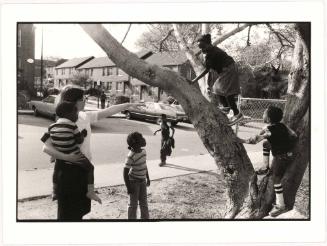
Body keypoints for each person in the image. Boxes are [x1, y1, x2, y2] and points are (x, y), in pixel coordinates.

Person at [42, 85, 144, 221]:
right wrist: (66, 157)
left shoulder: (84, 116)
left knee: (79, 211)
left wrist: (129, 104)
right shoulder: (63, 120)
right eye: (83, 98)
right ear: (75, 102)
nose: (85, 101)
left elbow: (108, 111)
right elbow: (46, 147)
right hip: (67, 170)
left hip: (83, 169)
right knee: (67, 213)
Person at [239, 106, 298, 217]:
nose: (263, 115)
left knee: (276, 179)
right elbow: (294, 135)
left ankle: (281, 205)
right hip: (290, 154)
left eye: (264, 113)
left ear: (269, 118)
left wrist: (240, 140)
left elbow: (254, 141)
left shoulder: (269, 131)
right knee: (266, 144)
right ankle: (265, 166)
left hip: (281, 157)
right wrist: (284, 144)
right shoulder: (283, 125)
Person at [41, 101, 101, 204]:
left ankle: (55, 191)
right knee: (90, 168)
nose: (77, 116)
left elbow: (44, 139)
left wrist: (57, 145)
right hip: (75, 154)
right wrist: (83, 134)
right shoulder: (73, 126)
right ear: (68, 114)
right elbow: (79, 140)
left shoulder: (51, 127)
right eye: (76, 113)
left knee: (56, 172)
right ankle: (90, 191)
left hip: (60, 156)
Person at [191, 33, 243, 126]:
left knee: (225, 90)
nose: (202, 50)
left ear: (208, 44)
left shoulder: (211, 53)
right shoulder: (211, 51)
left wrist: (194, 80)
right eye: (200, 48)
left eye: (202, 47)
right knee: (216, 88)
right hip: (227, 69)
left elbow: (206, 70)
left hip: (228, 69)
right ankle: (226, 108)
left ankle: (237, 114)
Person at [123, 132, 150, 219]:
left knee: (144, 203)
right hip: (133, 182)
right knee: (133, 204)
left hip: (142, 181)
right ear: (135, 143)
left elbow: (144, 166)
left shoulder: (143, 151)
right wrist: (128, 187)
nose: (144, 139)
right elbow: (125, 171)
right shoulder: (131, 156)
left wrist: (148, 178)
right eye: (141, 138)